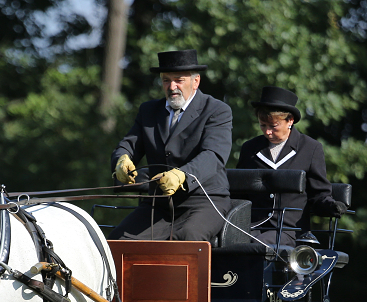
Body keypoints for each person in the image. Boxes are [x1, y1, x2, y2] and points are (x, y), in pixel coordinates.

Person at [109, 49, 233, 242]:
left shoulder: (217, 110)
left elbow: (213, 155)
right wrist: (121, 160)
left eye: (178, 80)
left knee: (186, 239)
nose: (172, 86)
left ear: (196, 81)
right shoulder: (148, 111)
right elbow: (128, 145)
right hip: (158, 204)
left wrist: (182, 175)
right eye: (166, 80)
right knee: (118, 240)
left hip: (204, 201)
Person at [236, 86, 346, 246]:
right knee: (228, 243)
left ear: (290, 121)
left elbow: (319, 194)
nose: (267, 132)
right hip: (252, 227)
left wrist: (331, 206)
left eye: (273, 126)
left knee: (258, 245)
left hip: (290, 231)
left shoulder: (311, 148)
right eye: (263, 125)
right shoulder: (250, 148)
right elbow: (239, 192)